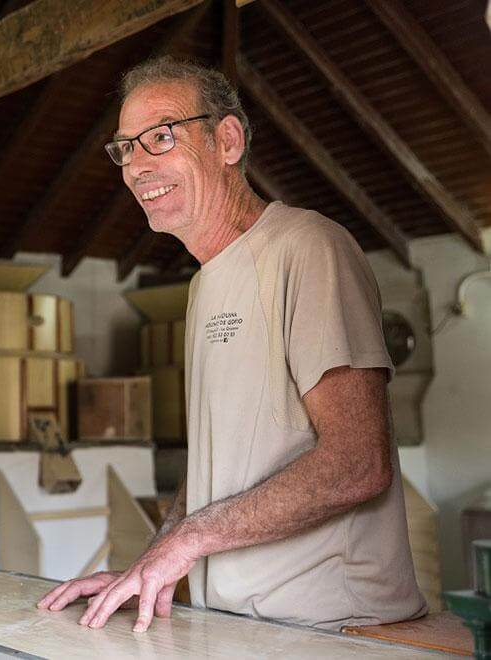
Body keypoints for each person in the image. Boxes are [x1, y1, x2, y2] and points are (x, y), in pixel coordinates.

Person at [37, 56, 427, 633]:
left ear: (227, 139)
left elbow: (358, 464)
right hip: (240, 624)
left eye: (160, 137)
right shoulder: (204, 283)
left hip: (335, 628)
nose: (137, 165)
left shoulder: (309, 247)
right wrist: (151, 561)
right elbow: (217, 470)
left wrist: (191, 538)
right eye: (125, 148)